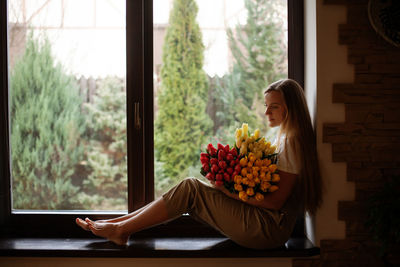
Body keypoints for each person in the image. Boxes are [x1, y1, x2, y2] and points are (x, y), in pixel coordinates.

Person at [76, 78, 323, 249]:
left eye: (275, 107)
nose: (267, 112)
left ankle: (121, 228)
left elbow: (276, 201)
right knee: (190, 187)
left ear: (290, 108)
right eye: (267, 106)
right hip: (266, 224)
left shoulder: (292, 142)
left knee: (190, 188)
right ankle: (119, 224)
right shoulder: (286, 138)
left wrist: (227, 190)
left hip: (269, 229)